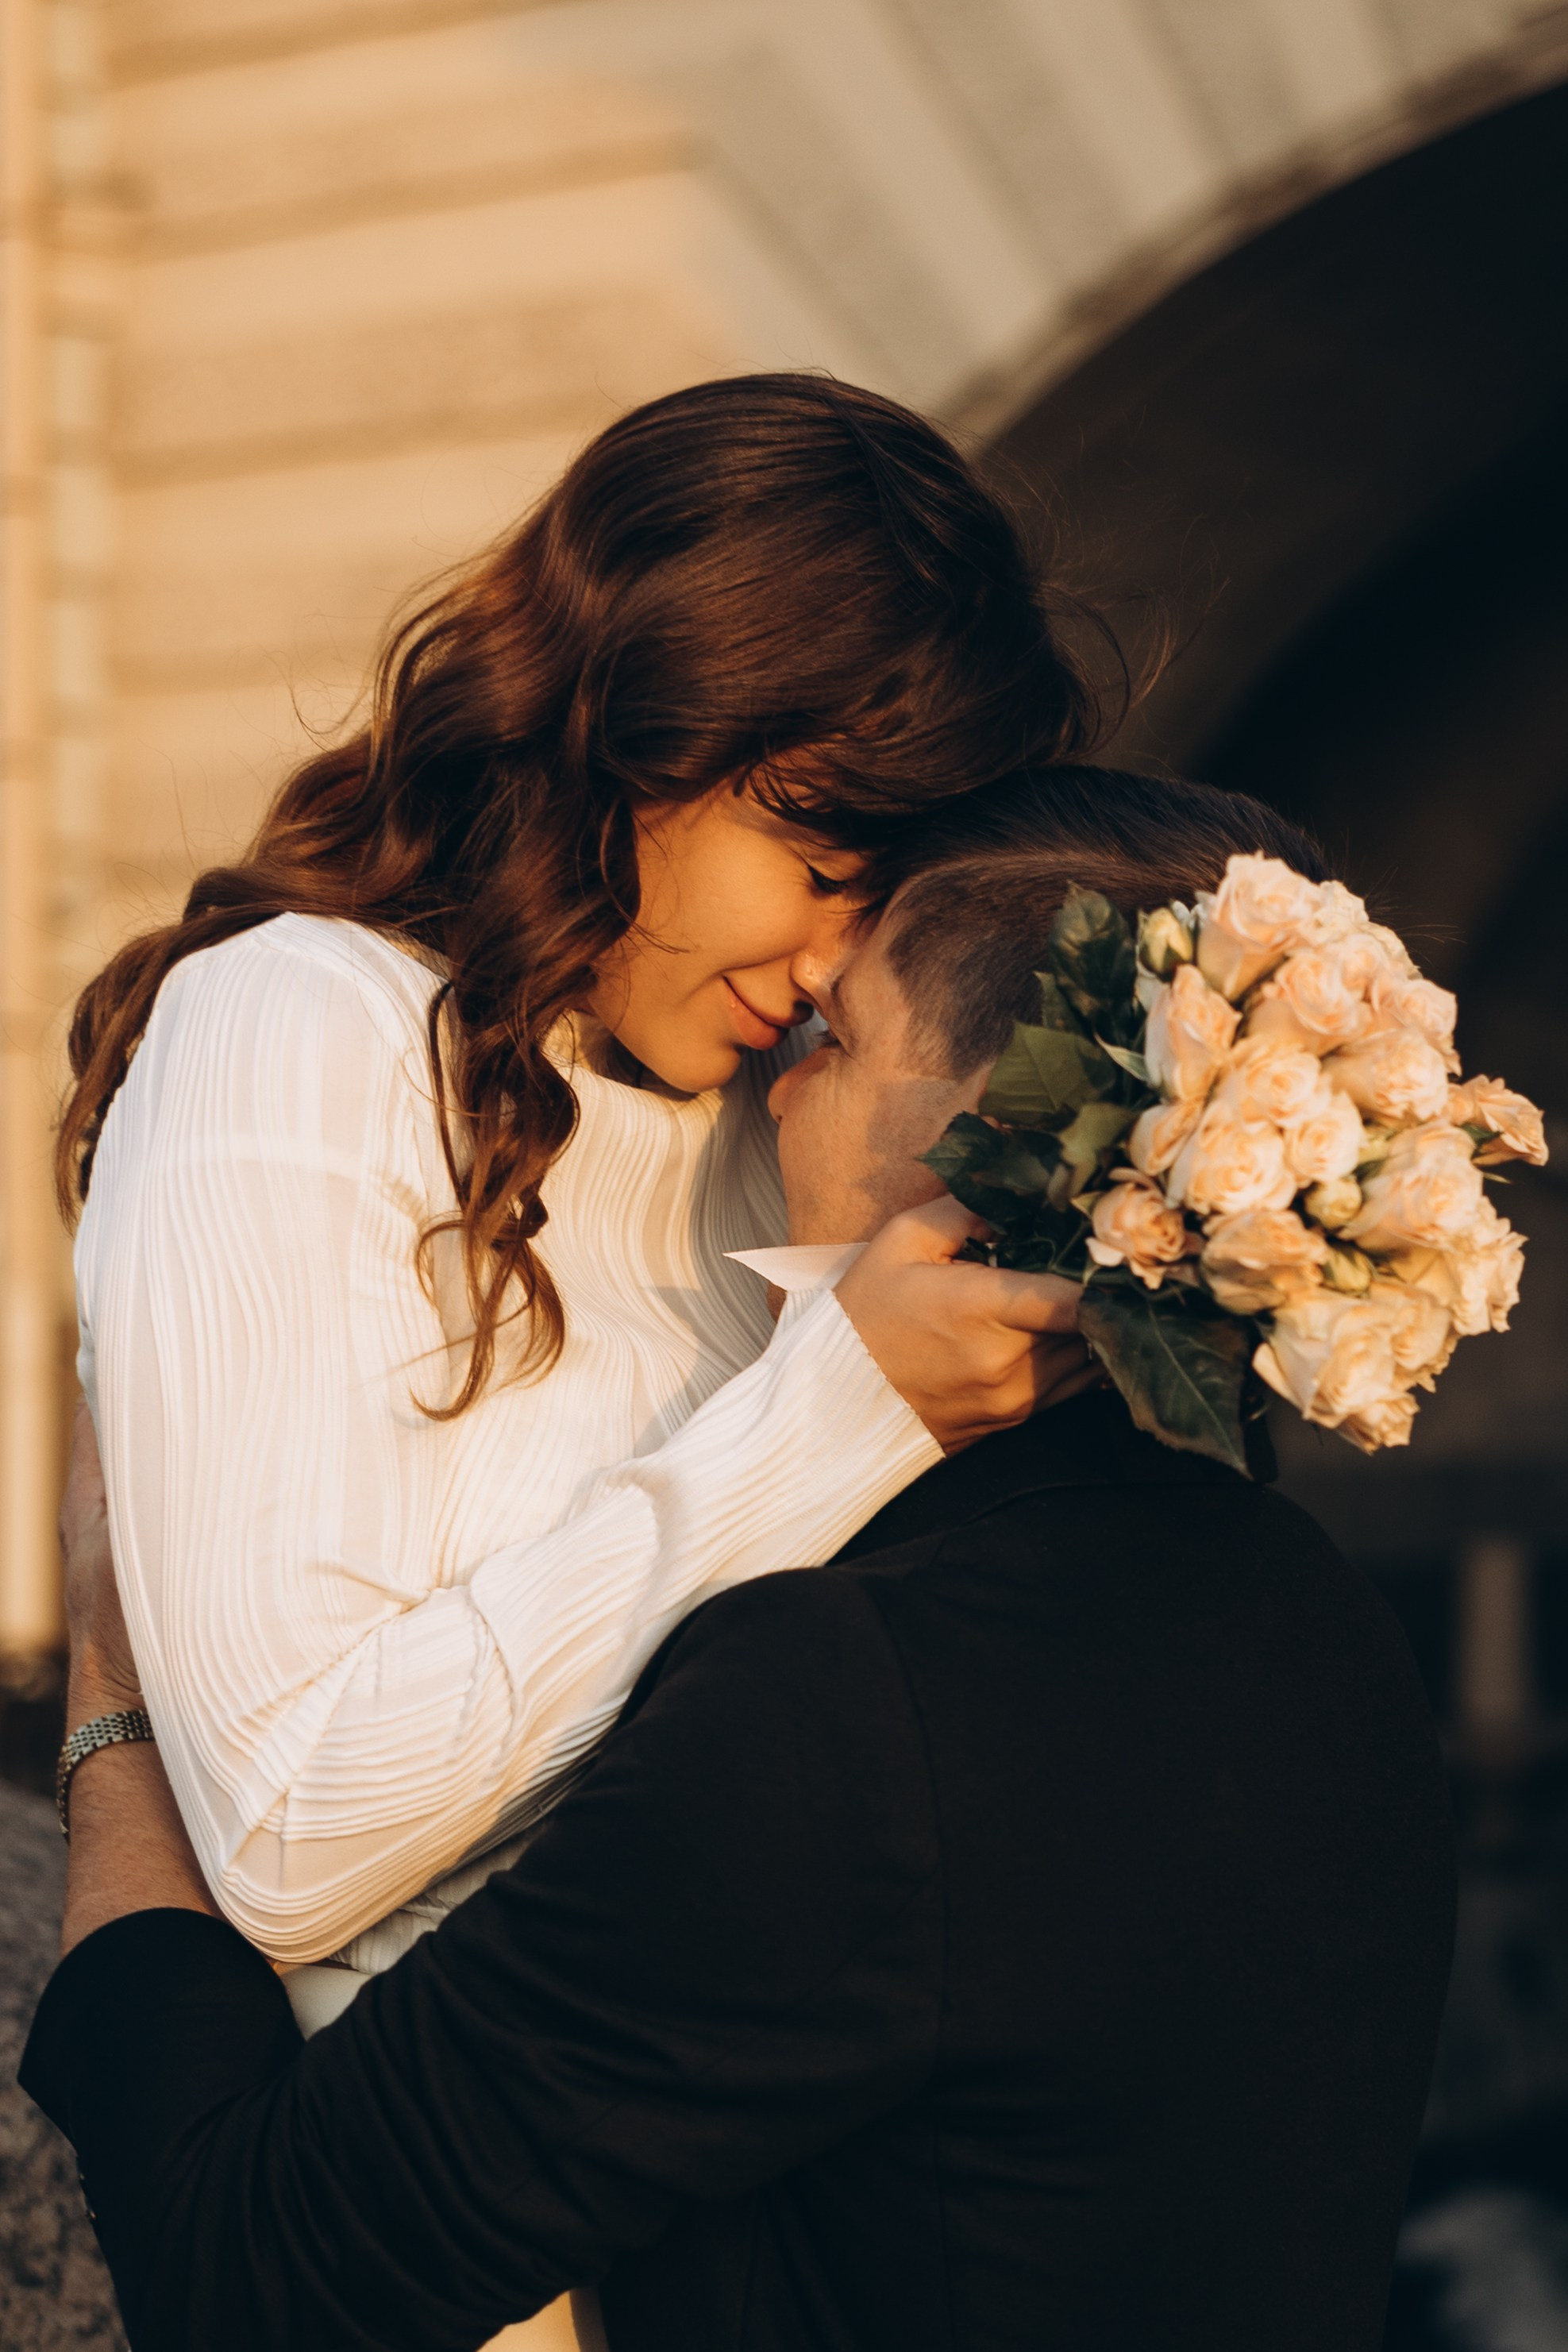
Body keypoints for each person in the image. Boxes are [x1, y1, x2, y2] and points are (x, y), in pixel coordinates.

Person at [25, 769, 1458, 2352]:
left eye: (826, 1040)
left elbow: (250, 2276)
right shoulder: (1321, 1622)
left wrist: (119, 1679)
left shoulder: (855, 1704)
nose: (765, 1090)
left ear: (996, 1142)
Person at [56, 374, 1101, 1999]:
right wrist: (837, 1409)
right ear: (637, 730)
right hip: (417, 2206)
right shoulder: (300, 1021)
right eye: (817, 862)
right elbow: (283, 1830)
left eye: (883, 896)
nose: (833, 960)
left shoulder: (773, 1132)